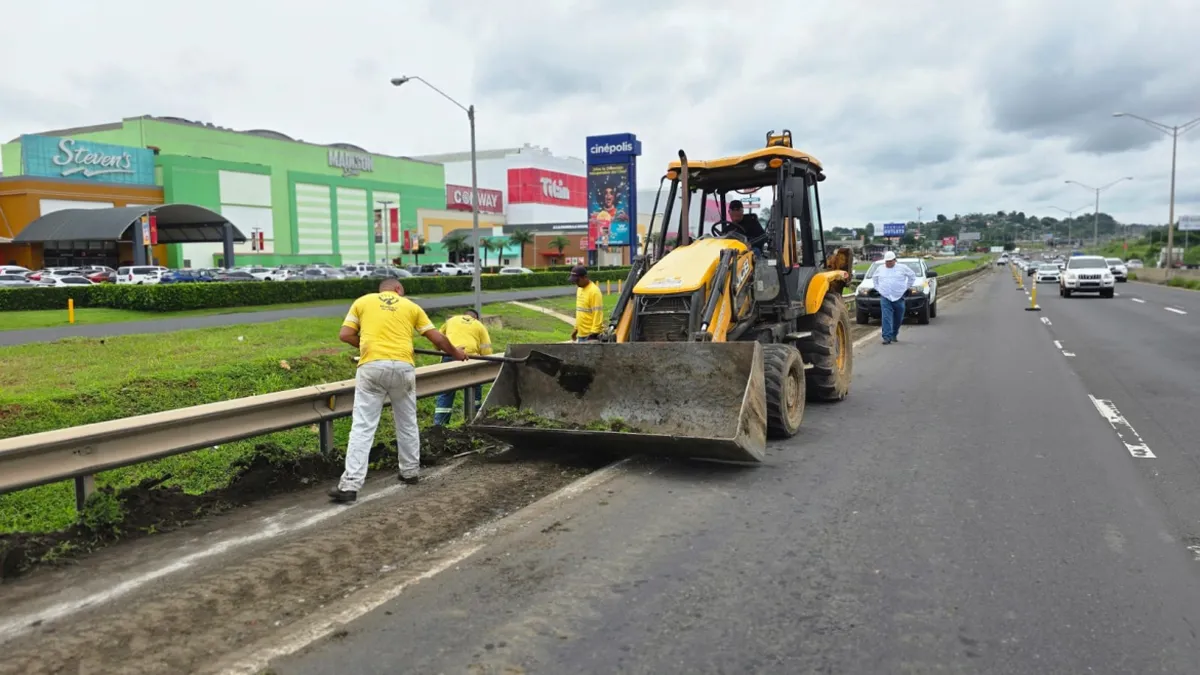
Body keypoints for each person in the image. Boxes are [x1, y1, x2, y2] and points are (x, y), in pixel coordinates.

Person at [329, 278, 466, 503]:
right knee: (407, 421)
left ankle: (350, 485)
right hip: (403, 367)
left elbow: (345, 334)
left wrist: (366, 344)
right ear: (398, 289)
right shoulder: (411, 306)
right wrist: (456, 353)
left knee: (363, 426)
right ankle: (410, 472)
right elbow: (438, 338)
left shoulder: (363, 302)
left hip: (372, 366)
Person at [432, 308, 492, 426]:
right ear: (476, 318)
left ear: (463, 315)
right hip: (471, 359)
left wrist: (439, 349)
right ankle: (475, 421)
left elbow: (438, 339)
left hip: (450, 355)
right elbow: (486, 350)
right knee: (475, 390)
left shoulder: (451, 320)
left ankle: (440, 425)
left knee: (446, 391)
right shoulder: (479, 325)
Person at [873, 251, 917, 345]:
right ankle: (886, 337)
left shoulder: (902, 268)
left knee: (898, 317)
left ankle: (894, 333)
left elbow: (912, 276)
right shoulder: (880, 269)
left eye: (890, 261)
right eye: (887, 261)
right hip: (885, 296)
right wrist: (879, 289)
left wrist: (906, 287)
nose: (888, 263)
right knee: (886, 317)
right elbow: (875, 279)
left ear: (894, 260)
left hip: (899, 296)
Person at [569, 265, 604, 342]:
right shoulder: (579, 289)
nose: (576, 283)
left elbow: (598, 314)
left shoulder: (594, 291)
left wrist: (594, 334)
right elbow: (580, 312)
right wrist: (576, 329)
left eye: (577, 280)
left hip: (590, 336)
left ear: (584, 277)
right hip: (581, 335)